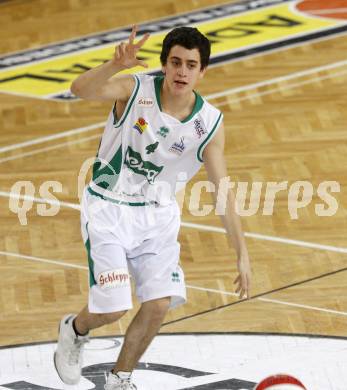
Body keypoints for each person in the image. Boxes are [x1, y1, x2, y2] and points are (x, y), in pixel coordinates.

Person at [54, 25, 251, 390]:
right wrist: (114, 66)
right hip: (109, 208)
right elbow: (80, 90)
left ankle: (119, 379)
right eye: (175, 62)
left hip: (158, 216)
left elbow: (222, 190)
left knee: (159, 303)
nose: (181, 71)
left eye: (191, 65)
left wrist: (242, 252)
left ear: (201, 72)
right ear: (163, 65)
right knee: (112, 308)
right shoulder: (134, 90)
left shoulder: (209, 124)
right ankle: (75, 330)